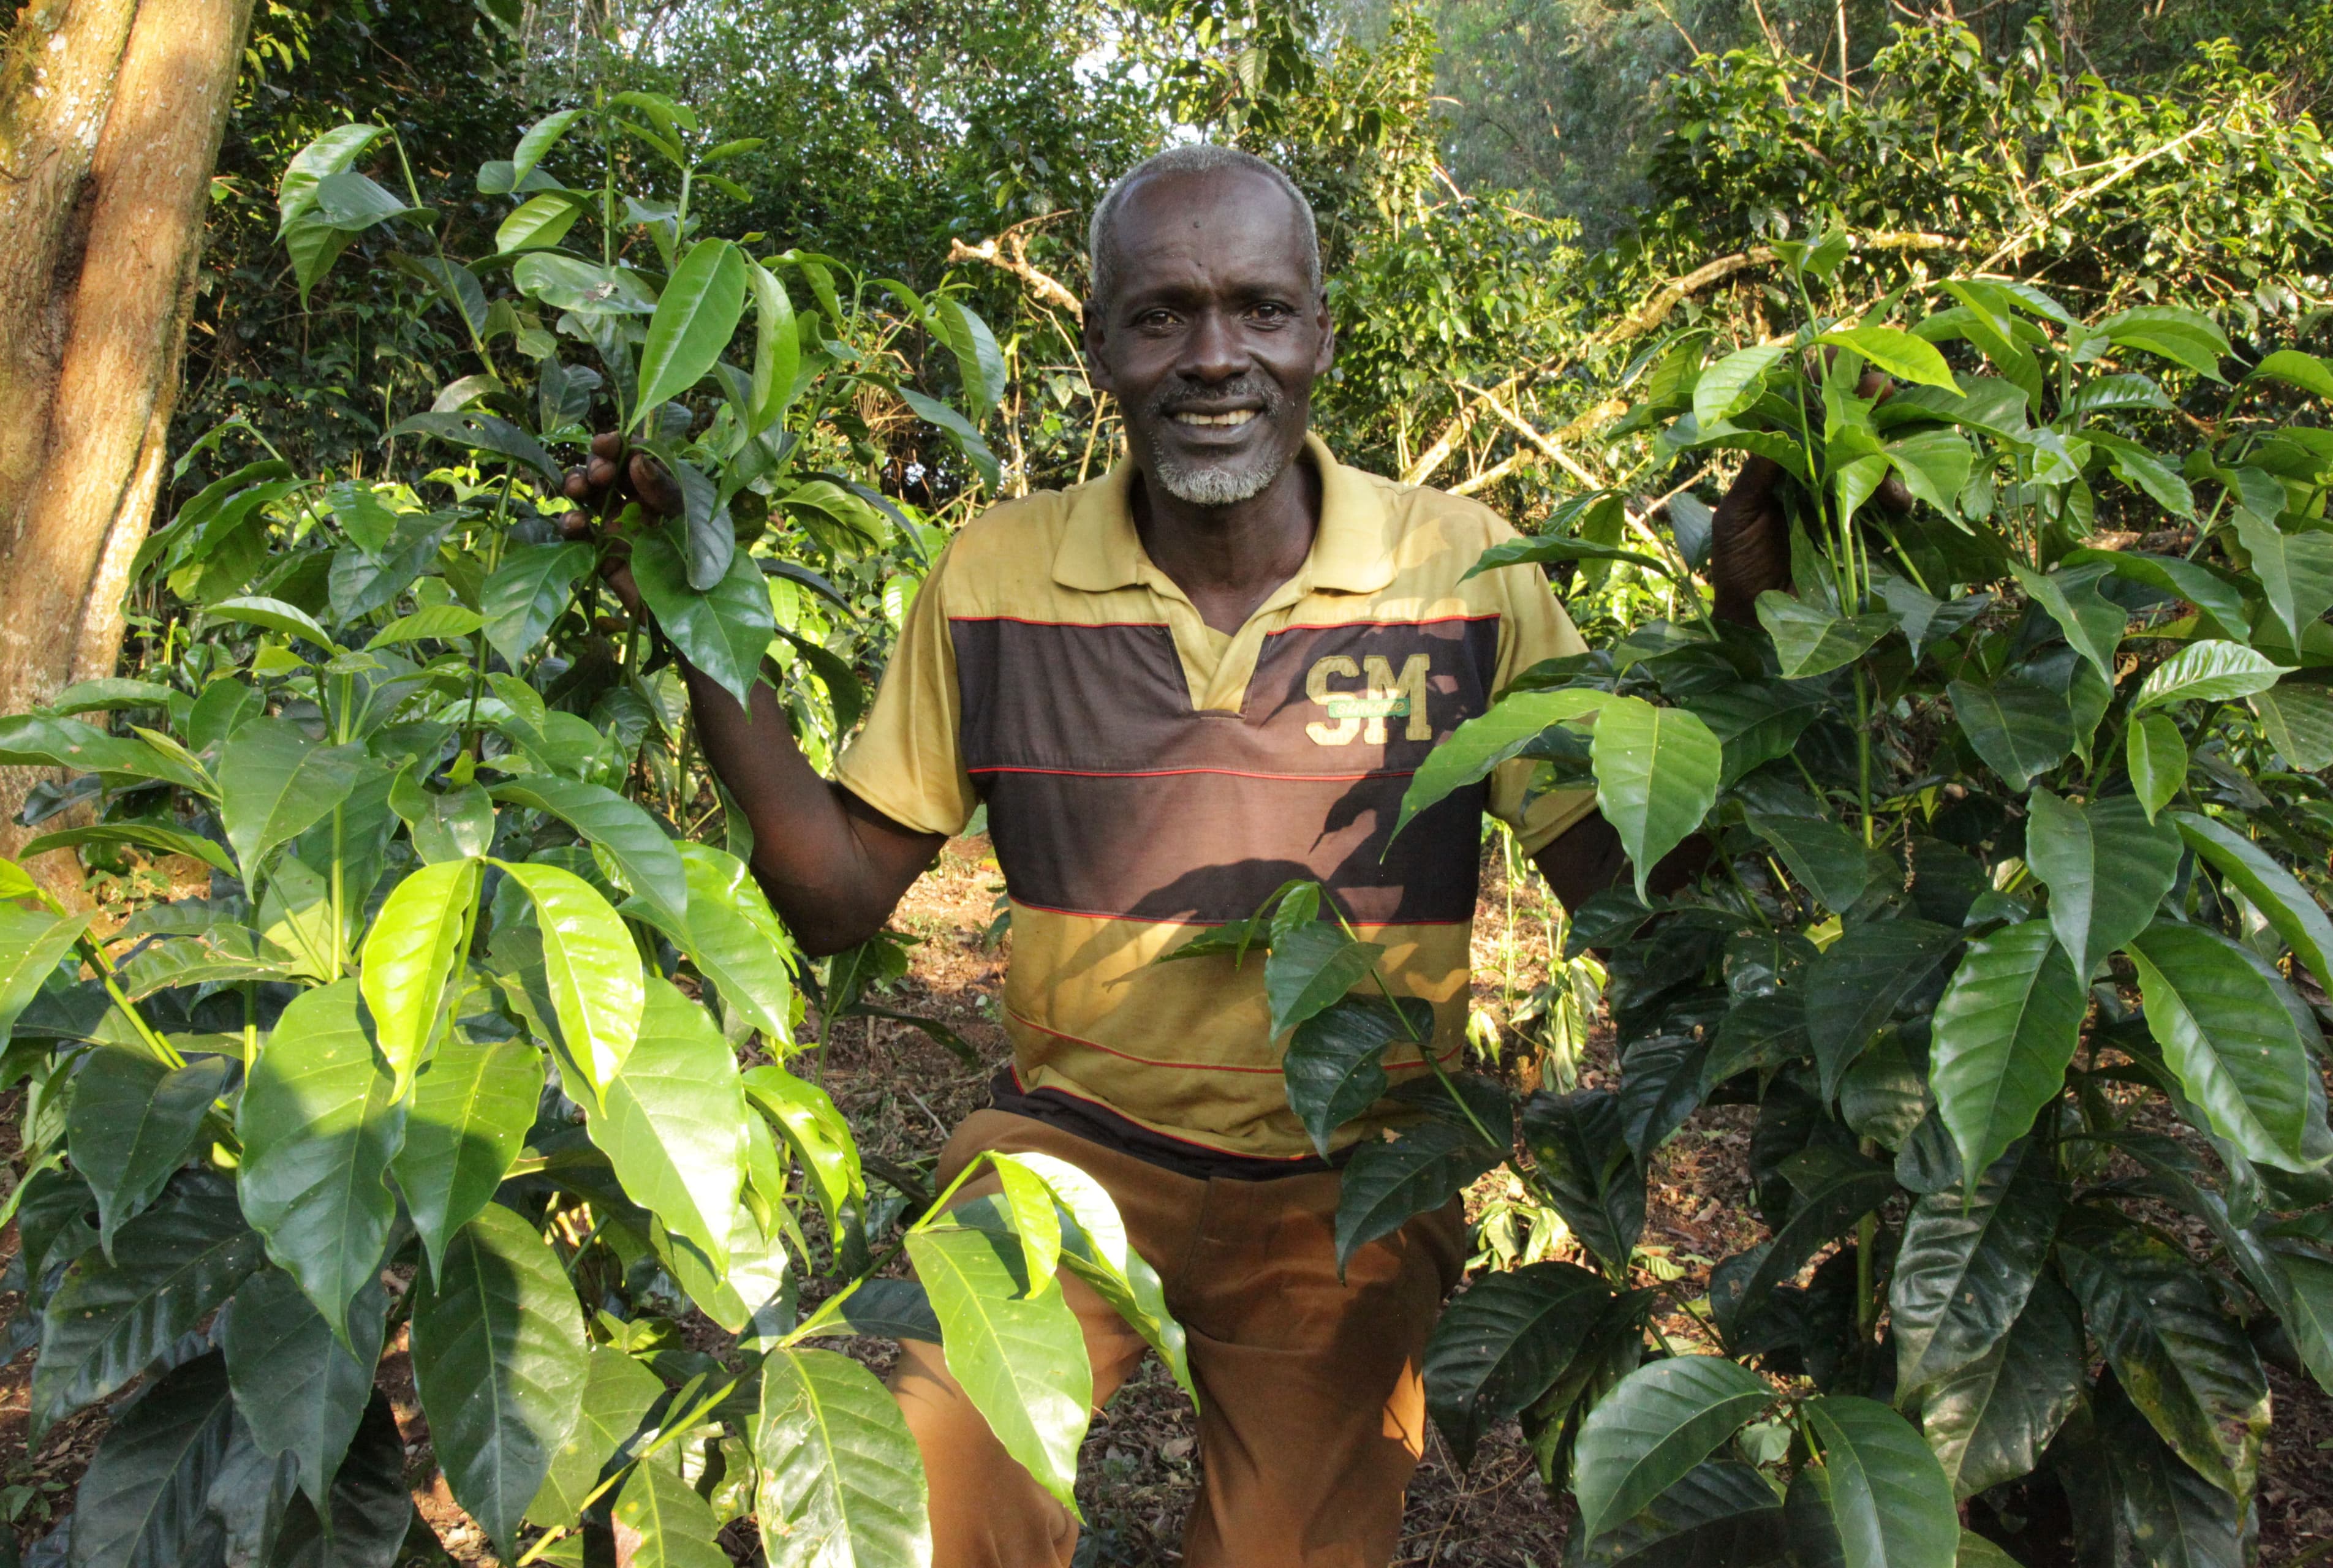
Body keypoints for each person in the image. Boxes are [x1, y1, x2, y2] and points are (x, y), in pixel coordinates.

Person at [562, 145, 1791, 1568]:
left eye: (1259, 308)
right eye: (1161, 316)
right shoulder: (995, 575)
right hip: (1063, 1158)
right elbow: (838, 896)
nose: (1215, 357)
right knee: (925, 1508)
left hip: (1352, 1185)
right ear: (1098, 346)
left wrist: (1760, 645)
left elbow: (1644, 906)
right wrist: (696, 608)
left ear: (1321, 331)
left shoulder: (1467, 573)